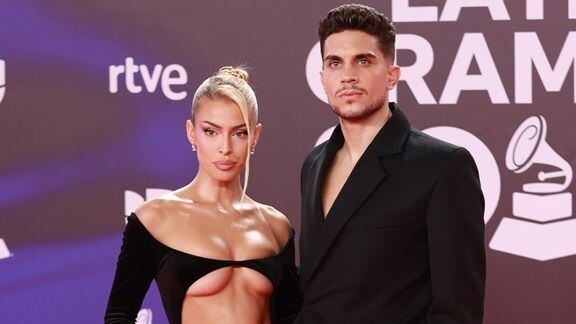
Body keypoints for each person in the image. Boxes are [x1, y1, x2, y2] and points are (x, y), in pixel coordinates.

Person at [297, 4, 485, 323]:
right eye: (335, 63)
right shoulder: (314, 164)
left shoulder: (443, 166)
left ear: (391, 75)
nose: (348, 76)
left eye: (363, 60)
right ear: (323, 78)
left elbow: (457, 311)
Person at [105, 66, 302, 324]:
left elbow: (295, 317)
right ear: (191, 132)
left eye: (239, 133)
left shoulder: (276, 227)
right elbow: (119, 315)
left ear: (255, 137)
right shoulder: (154, 218)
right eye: (211, 131)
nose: (225, 148)